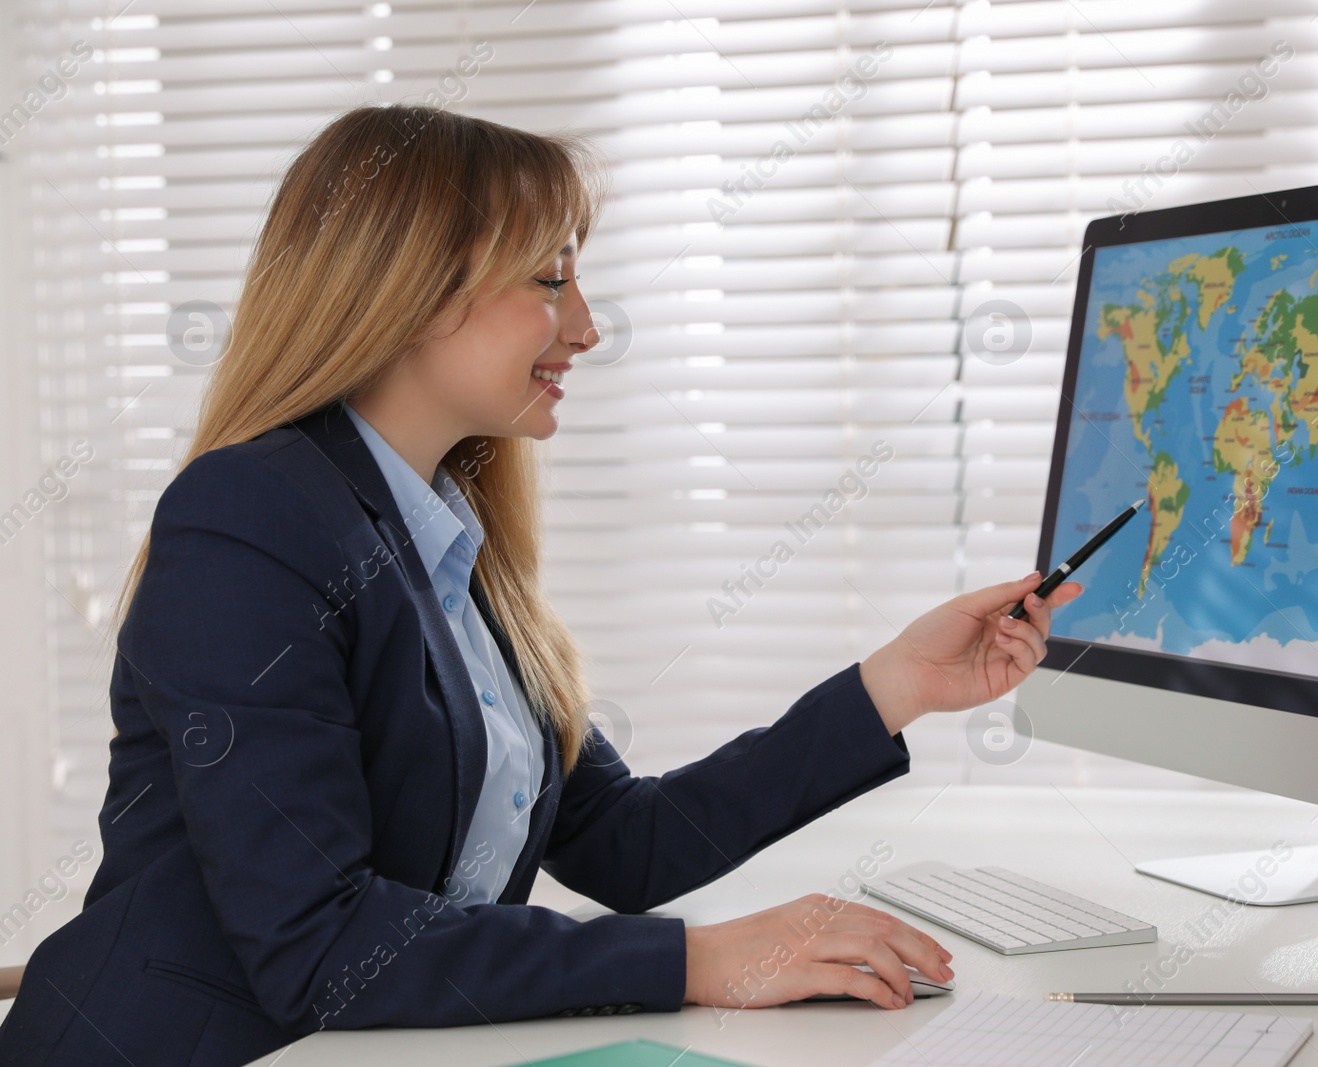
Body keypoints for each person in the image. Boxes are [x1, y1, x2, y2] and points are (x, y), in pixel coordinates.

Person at [0, 105, 1079, 1067]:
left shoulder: (448, 534)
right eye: (550, 278)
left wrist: (896, 682)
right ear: (414, 292)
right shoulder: (248, 517)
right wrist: (702, 958)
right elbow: (317, 941)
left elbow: (623, 840)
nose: (587, 325)